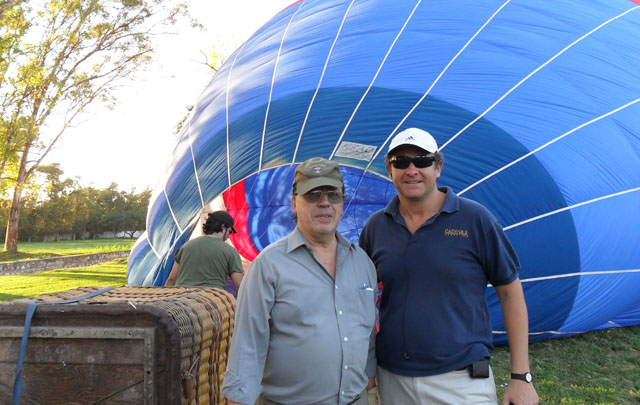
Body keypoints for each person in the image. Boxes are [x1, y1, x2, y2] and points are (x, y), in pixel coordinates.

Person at [358, 128, 540, 405]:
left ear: (438, 167)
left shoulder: (475, 219)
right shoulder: (377, 227)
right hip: (392, 378)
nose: (412, 170)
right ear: (389, 169)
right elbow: (362, 299)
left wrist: (521, 376)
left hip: (461, 382)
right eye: (401, 162)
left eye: (422, 161)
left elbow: (510, 292)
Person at [222, 157, 377, 405]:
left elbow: (368, 330)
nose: (325, 202)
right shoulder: (268, 265)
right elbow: (248, 346)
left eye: (333, 195)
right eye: (313, 194)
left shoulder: (363, 263)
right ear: (294, 203)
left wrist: (368, 375)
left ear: (342, 203)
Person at [165, 210, 244, 292]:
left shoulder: (185, 247)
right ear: (223, 227)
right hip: (211, 300)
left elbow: (171, 279)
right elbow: (239, 286)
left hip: (182, 299)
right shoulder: (231, 252)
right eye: (230, 231)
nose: (228, 236)